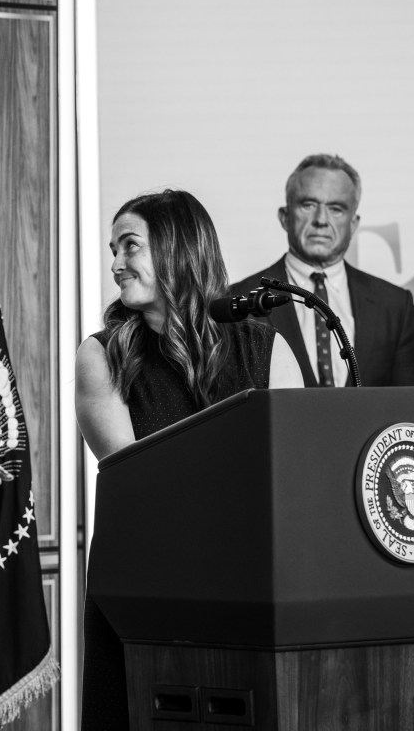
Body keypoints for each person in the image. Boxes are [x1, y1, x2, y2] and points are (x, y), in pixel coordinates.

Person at [75, 189, 303, 729]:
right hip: (143, 596)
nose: (115, 264)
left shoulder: (265, 347)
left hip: (248, 592)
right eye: (113, 249)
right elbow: (140, 486)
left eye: (130, 246)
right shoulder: (102, 355)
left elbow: (296, 472)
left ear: (178, 248)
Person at [229, 153, 414, 387]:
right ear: (284, 217)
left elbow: (410, 408)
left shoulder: (394, 306)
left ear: (354, 223)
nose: (321, 219)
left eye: (336, 208)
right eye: (308, 205)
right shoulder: (238, 300)